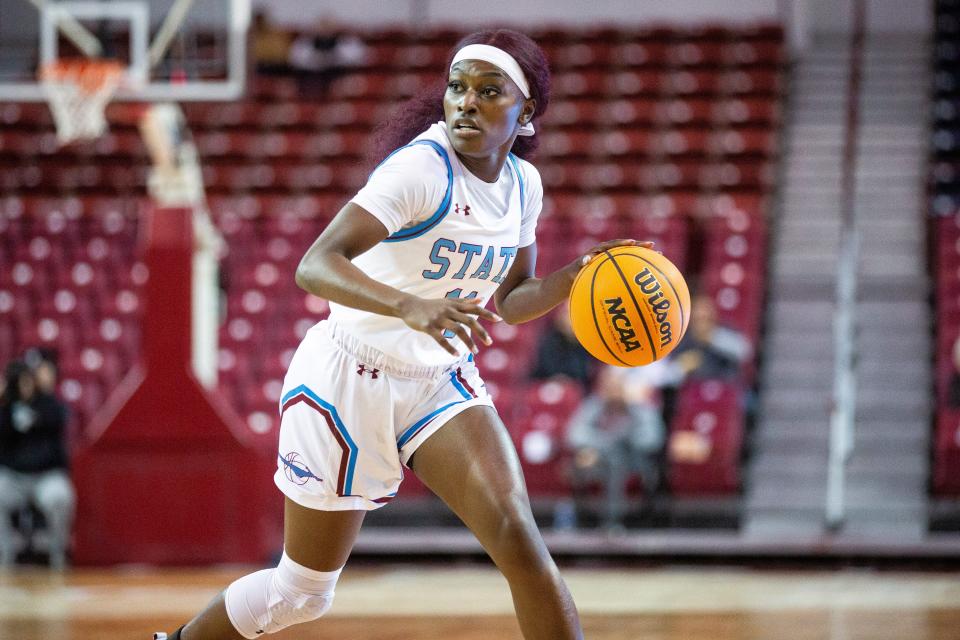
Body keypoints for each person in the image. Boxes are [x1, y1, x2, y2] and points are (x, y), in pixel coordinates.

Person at [154, 28, 651, 640]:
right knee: (301, 593)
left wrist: (575, 278)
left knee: (520, 541)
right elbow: (315, 264)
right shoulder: (421, 169)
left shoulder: (525, 186)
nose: (466, 102)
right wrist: (409, 307)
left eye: (488, 91)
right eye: (457, 87)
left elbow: (513, 301)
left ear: (525, 112)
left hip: (437, 379)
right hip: (348, 377)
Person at [562, 364, 666, 531]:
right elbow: (574, 435)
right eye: (608, 386)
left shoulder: (640, 408)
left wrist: (624, 441)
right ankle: (580, 522)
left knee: (616, 461)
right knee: (584, 462)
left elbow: (652, 439)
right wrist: (607, 443)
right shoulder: (594, 406)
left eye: (617, 386)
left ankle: (612, 522)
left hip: (634, 461)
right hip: (599, 461)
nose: (613, 390)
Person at [0, 358, 74, 569]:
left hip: (46, 475)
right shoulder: (5, 409)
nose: (24, 387)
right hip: (13, 477)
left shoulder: (49, 404)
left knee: (60, 497)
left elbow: (58, 419)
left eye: (27, 381)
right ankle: (5, 554)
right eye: (19, 382)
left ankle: (58, 554)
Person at [287, 16, 368, 98]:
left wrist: (332, 57)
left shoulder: (347, 42)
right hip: (312, 76)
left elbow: (360, 58)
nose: (325, 30)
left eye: (329, 26)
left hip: (340, 74)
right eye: (322, 27)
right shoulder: (304, 43)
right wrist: (318, 59)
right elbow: (295, 60)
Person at [529, 300, 594, 391]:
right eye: (567, 315)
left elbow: (587, 373)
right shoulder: (549, 340)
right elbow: (543, 368)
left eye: (574, 317)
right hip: (549, 386)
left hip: (581, 392)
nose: (570, 321)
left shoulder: (588, 344)